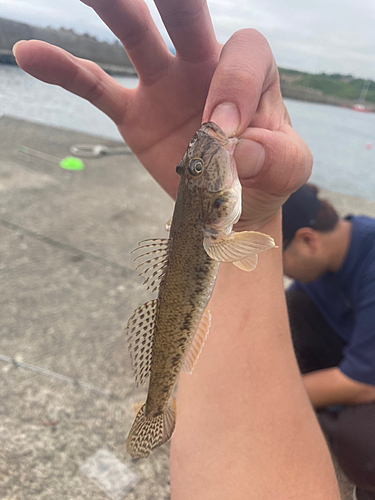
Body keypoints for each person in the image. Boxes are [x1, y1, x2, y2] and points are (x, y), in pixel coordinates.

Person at [13, 1, 340, 498]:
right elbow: (233, 241)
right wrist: (258, 222)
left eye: (194, 166)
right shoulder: (216, 223)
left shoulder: (215, 220)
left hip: (202, 260)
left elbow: (229, 236)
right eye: (194, 166)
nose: (202, 154)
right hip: (202, 263)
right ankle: (157, 404)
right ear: (212, 202)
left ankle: (156, 404)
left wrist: (257, 217)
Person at [283, 184, 375, 500]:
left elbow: (363, 384)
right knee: (288, 311)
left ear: (307, 239)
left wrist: (264, 399)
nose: (277, 273)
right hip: (359, 351)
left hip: (367, 380)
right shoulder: (330, 258)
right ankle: (322, 416)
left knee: (364, 441)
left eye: (277, 262)